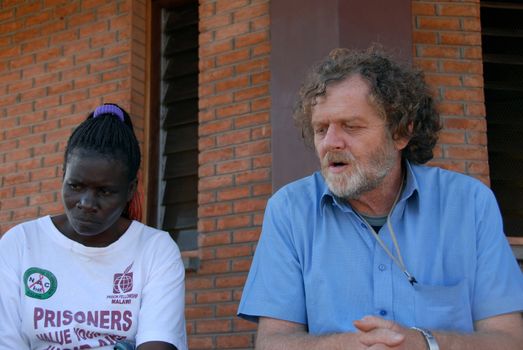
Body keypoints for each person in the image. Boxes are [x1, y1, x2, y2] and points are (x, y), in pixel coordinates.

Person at [237, 47, 523, 349]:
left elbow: (509, 339)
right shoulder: (290, 210)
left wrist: (426, 344)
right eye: (321, 129)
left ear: (400, 133)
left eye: (351, 126)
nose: (330, 142)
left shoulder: (470, 203)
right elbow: (272, 343)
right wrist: (352, 346)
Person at [0, 104, 188, 350]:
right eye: (76, 186)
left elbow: (158, 343)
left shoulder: (155, 250)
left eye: (105, 191)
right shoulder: (21, 244)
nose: (86, 203)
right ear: (63, 175)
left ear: (130, 190)